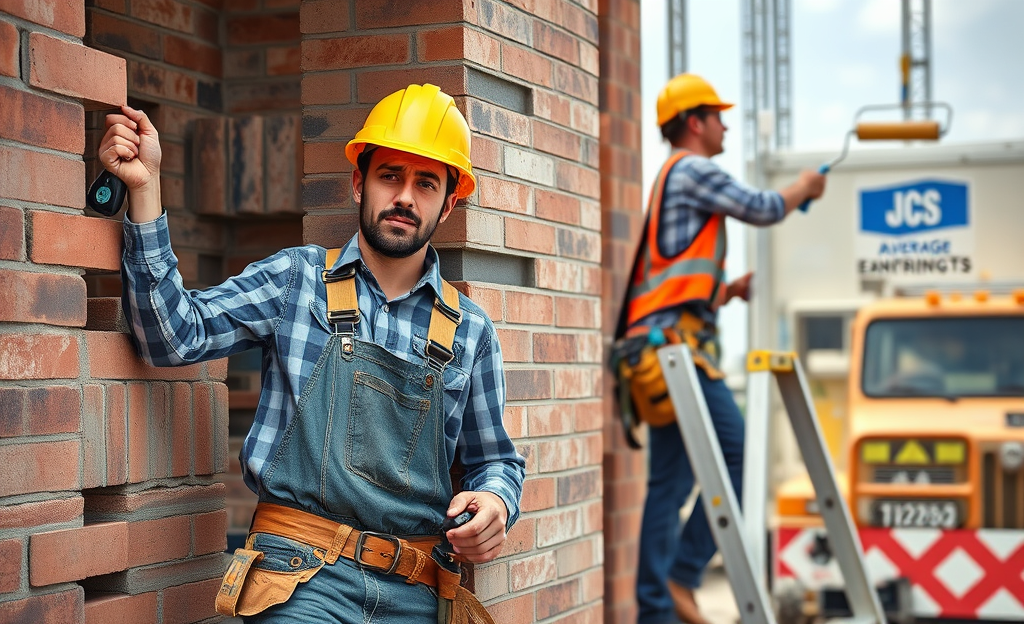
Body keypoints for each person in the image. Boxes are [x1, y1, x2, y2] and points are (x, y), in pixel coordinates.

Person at [99, 83, 525, 624]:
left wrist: (494, 502)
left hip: (417, 591)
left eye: (426, 183)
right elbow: (172, 335)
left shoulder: (472, 333)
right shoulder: (296, 281)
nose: (404, 197)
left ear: (449, 206)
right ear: (358, 183)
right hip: (299, 578)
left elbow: (495, 461)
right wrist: (145, 190)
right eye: (389, 175)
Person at [618, 73, 827, 624]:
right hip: (676, 353)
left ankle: (656, 610)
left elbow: (670, 274)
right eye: (718, 115)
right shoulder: (692, 169)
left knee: (671, 481)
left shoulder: (672, 176)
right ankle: (682, 578)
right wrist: (804, 187)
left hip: (664, 347)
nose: (726, 124)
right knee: (736, 456)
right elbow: (761, 206)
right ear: (695, 122)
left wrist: (724, 291)